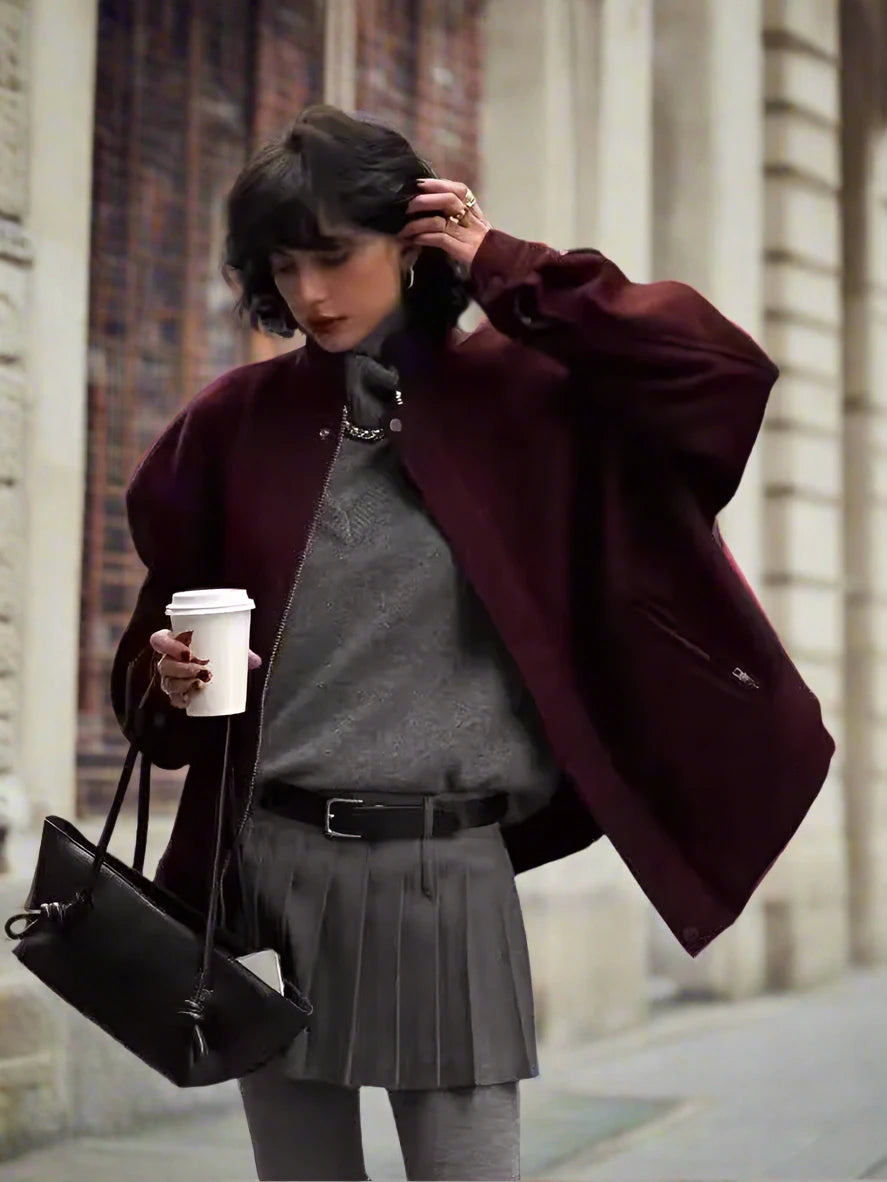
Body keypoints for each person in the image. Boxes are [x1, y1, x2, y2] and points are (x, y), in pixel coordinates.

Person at [111, 105, 834, 1181]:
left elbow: (717, 374)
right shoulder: (231, 426)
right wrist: (165, 679)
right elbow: (146, 692)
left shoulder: (523, 402)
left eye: (333, 257)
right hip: (266, 869)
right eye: (283, 266)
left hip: (444, 871)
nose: (309, 294)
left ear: (410, 242)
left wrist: (507, 266)